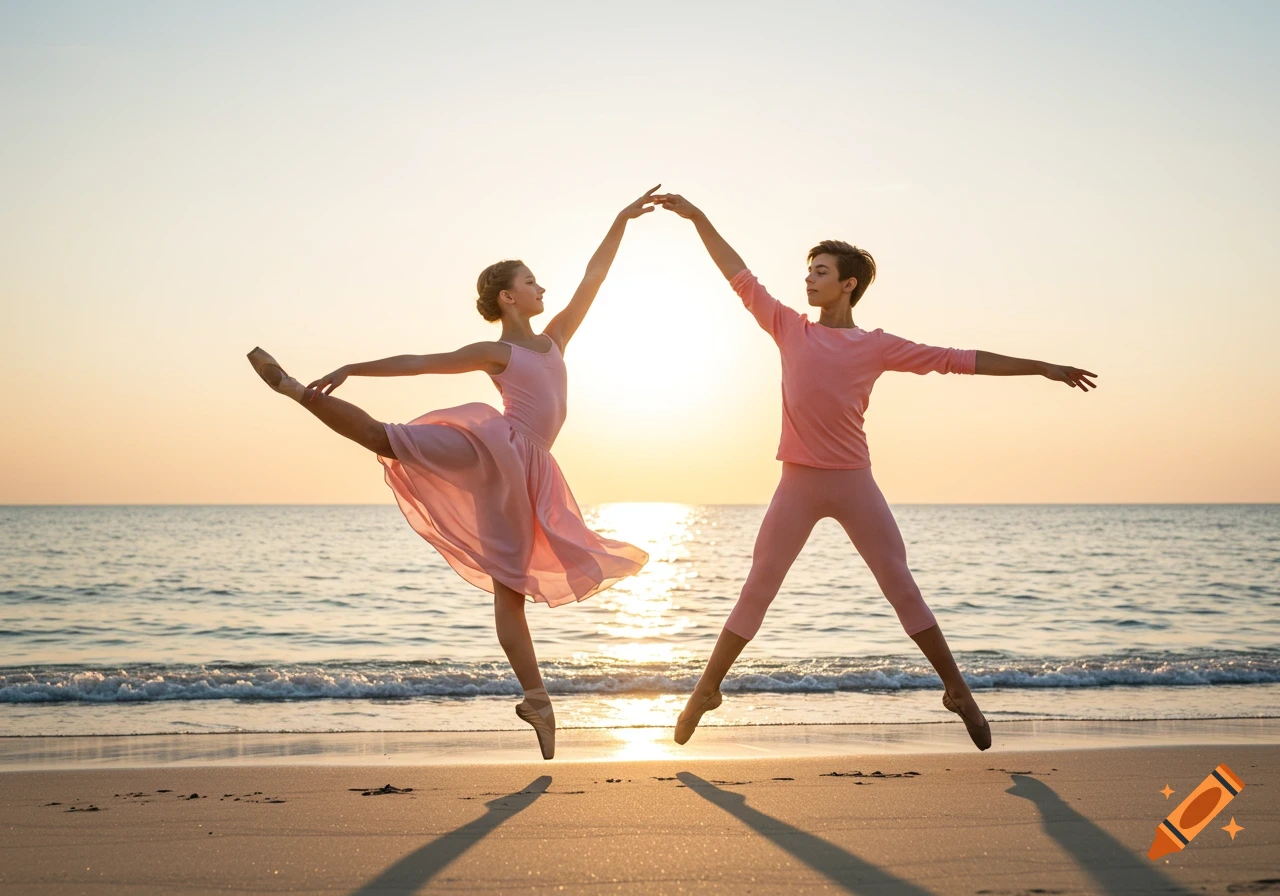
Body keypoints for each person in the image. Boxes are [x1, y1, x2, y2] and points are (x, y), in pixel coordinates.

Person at [655, 192, 1097, 751]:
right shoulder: (791, 328)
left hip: (853, 482)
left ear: (849, 285)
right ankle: (707, 689)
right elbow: (737, 274)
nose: (809, 280)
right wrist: (698, 218)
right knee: (759, 585)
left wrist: (1041, 368)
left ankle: (957, 690)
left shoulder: (877, 346)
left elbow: (958, 359)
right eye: (808, 271)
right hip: (797, 482)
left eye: (821, 272)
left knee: (900, 586)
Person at [246, 187, 661, 759]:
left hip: (528, 469)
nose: (543, 288)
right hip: (494, 448)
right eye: (532, 281)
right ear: (509, 298)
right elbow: (420, 363)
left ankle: (537, 701)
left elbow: (596, 275)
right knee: (384, 438)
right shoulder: (499, 354)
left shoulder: (555, 338)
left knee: (509, 589)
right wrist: (352, 367)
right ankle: (296, 390)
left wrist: (619, 220)